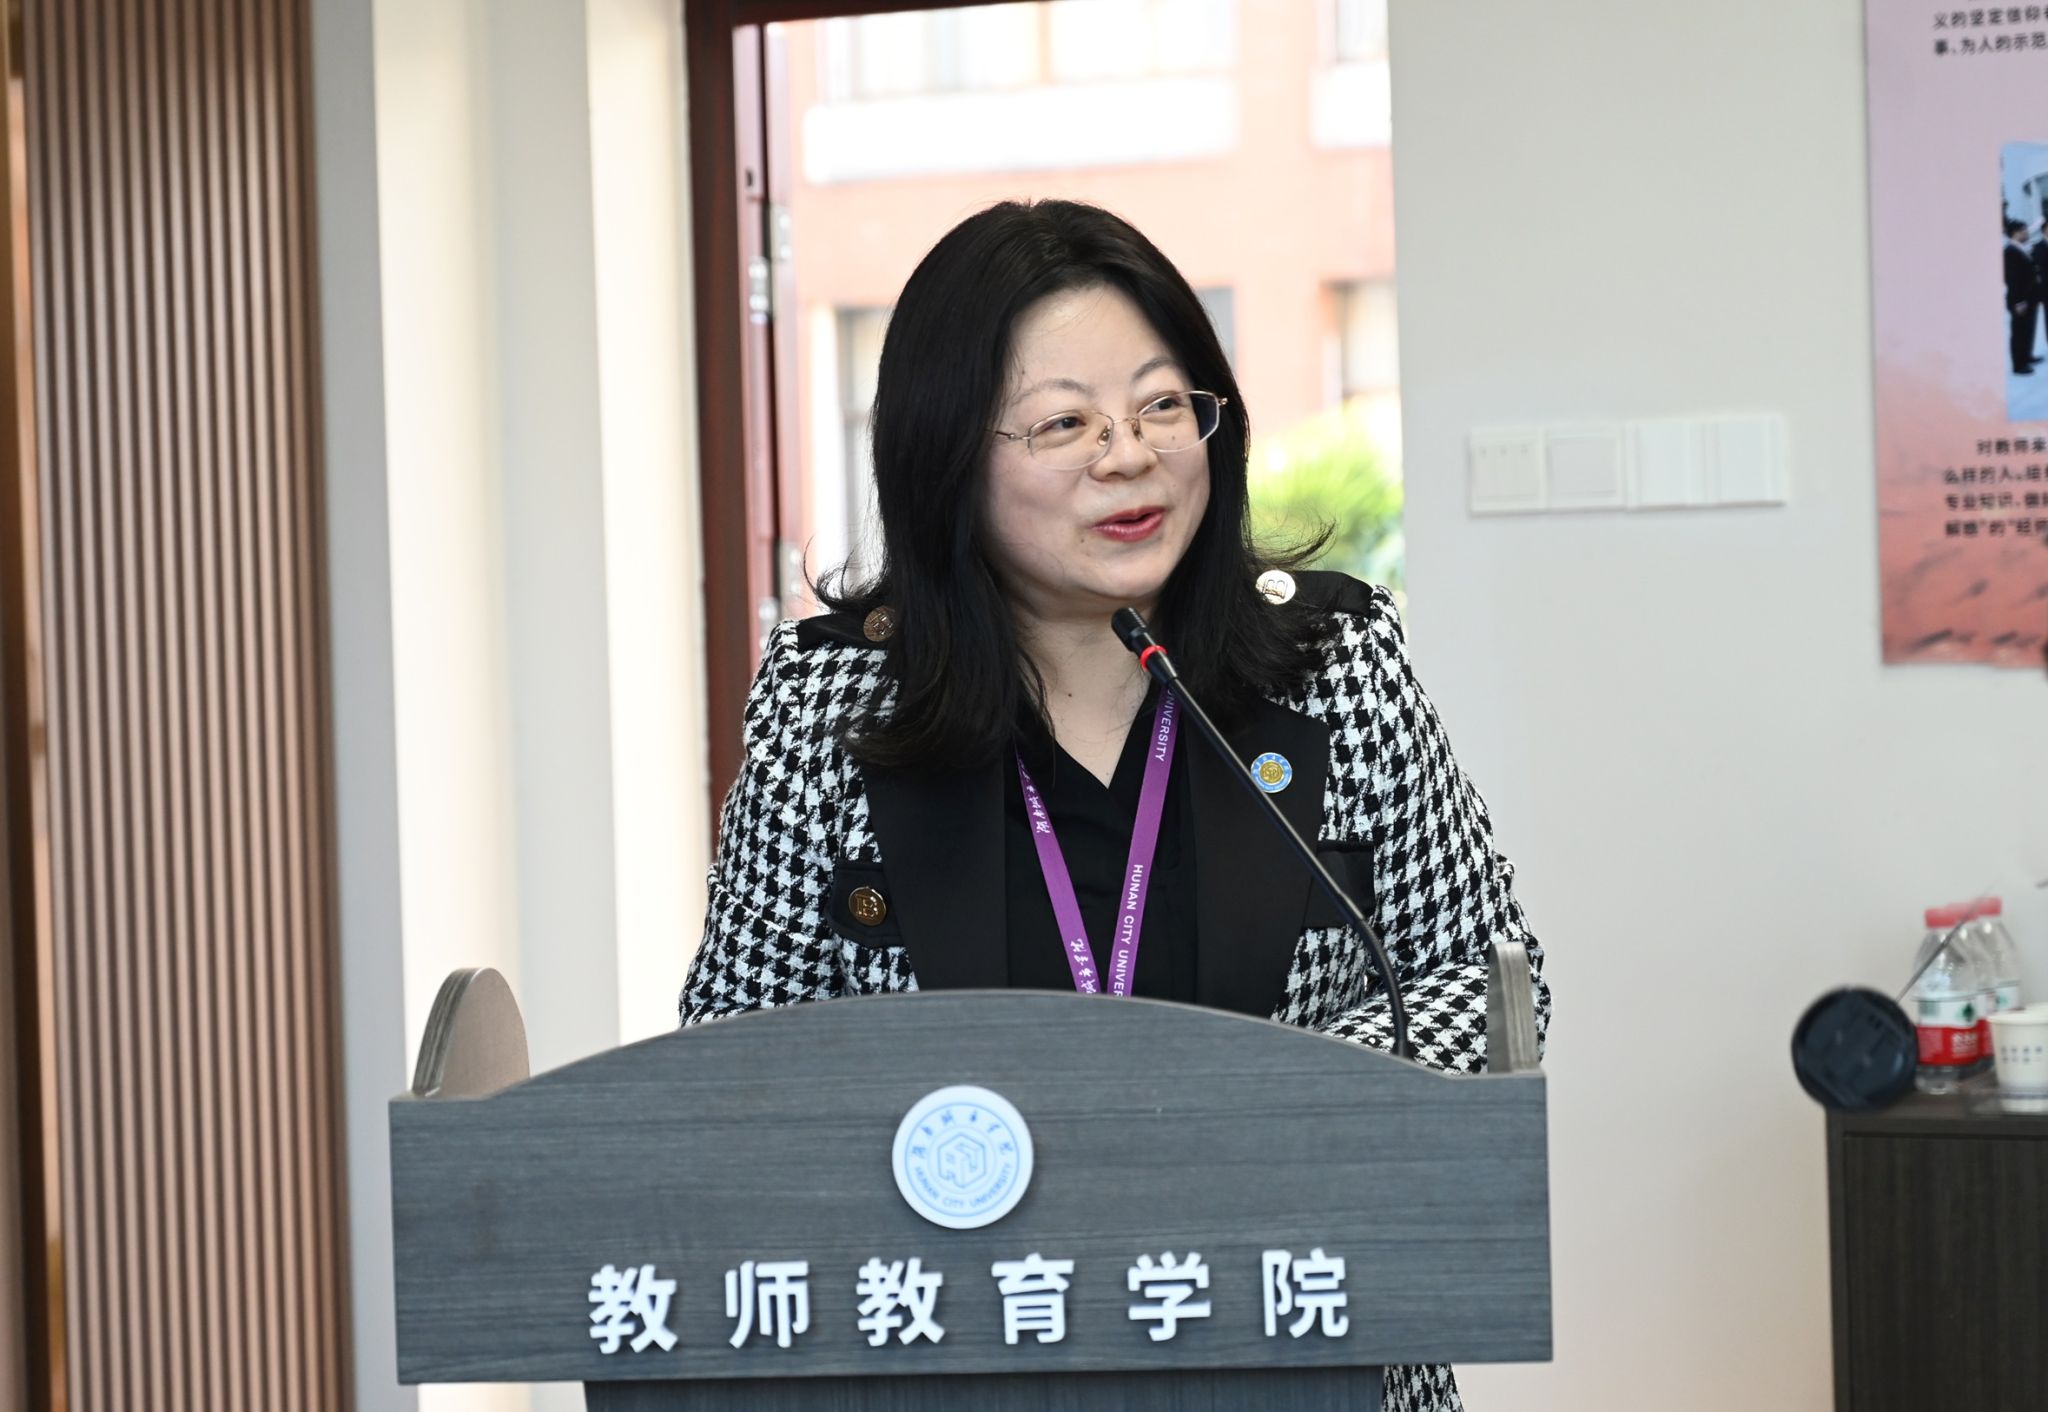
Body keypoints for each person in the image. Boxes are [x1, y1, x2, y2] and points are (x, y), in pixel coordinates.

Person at [680, 198, 1550, 1412]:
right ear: (946, 458)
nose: (1128, 454)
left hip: (1304, 1351)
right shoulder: (831, 700)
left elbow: (1488, 980)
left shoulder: (1333, 661)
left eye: (1159, 406)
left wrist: (1236, 1108)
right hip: (961, 1361)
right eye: (1063, 423)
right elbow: (733, 1059)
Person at [2006, 219, 2040, 375]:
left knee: (2027, 330)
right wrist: (2019, 301)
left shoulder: (2020, 249)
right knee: (2019, 332)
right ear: (2015, 233)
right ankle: (2019, 365)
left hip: (2029, 298)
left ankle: (2027, 357)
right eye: (2024, 230)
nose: (2027, 233)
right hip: (2020, 300)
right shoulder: (2010, 252)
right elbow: (2013, 280)